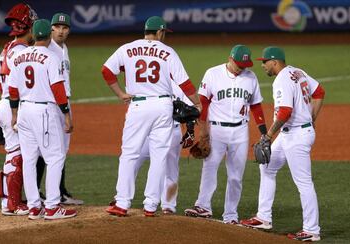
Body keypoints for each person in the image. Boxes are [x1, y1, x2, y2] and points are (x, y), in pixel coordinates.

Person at [102, 16, 201, 217]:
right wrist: (197, 103)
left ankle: (122, 203)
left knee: (129, 153)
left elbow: (107, 71)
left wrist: (120, 93)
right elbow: (185, 84)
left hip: (138, 105)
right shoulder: (168, 52)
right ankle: (151, 205)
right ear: (160, 32)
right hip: (163, 106)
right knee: (159, 156)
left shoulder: (127, 48)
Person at [240, 46, 325, 242]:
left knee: (303, 182)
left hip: (297, 136)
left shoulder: (282, 79)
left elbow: (285, 112)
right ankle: (263, 217)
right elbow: (319, 91)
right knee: (267, 167)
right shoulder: (297, 72)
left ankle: (312, 230)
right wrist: (312, 118)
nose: (262, 65)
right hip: (292, 133)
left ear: (275, 62)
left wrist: (268, 136)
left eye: (265, 62)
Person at [184, 45, 268, 224]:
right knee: (209, 167)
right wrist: (203, 130)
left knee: (236, 176)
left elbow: (256, 106)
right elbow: (203, 103)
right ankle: (203, 207)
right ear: (230, 58)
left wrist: (263, 132)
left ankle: (231, 215)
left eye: (245, 65)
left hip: (240, 132)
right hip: (217, 130)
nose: (242, 68)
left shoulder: (250, 77)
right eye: (239, 64)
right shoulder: (213, 73)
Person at [8, 19, 77, 220]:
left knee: (29, 160)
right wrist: (66, 115)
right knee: (55, 157)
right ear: (49, 35)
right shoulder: (50, 56)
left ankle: (34, 206)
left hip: (24, 111)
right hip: (44, 112)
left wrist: (14, 114)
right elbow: (58, 89)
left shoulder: (19, 56)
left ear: (33, 34)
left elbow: (12, 90)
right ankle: (53, 206)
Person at [109, 82, 196, 215]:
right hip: (148, 132)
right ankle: (121, 197)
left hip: (172, 132)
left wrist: (190, 131)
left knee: (170, 171)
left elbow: (190, 110)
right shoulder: (152, 82)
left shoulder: (176, 85)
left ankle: (168, 205)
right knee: (134, 162)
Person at [0, 3, 37, 216]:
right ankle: (13, 203)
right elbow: (16, 86)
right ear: (27, 26)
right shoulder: (22, 52)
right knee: (18, 155)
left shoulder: (7, 48)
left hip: (6, 103)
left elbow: (2, 85)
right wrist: (14, 111)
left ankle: (8, 201)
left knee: (13, 154)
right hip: (14, 105)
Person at [35, 12, 84, 205]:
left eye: (65, 28)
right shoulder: (47, 49)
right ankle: (39, 192)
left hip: (64, 101)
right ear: (51, 29)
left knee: (61, 150)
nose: (61, 31)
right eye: (57, 27)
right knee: (45, 149)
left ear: (69, 30)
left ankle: (60, 191)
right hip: (52, 104)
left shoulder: (63, 48)